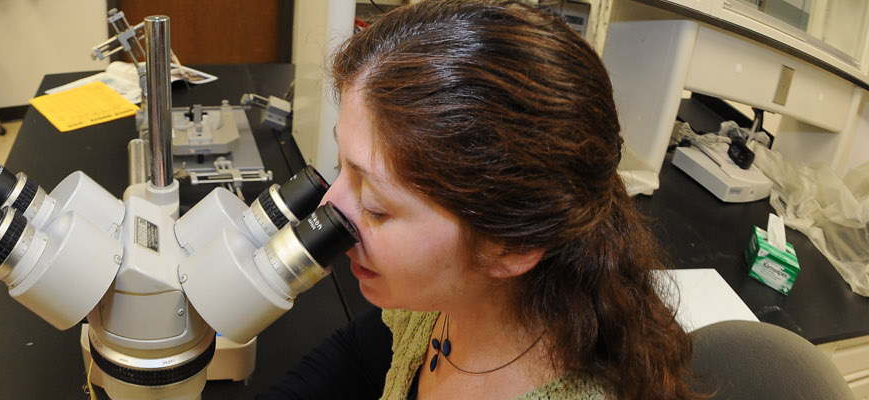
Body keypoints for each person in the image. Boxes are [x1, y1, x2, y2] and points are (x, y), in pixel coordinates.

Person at [261, 1, 698, 398]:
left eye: (375, 205)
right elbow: (358, 353)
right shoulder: (439, 297)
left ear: (509, 246)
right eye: (341, 168)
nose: (327, 212)